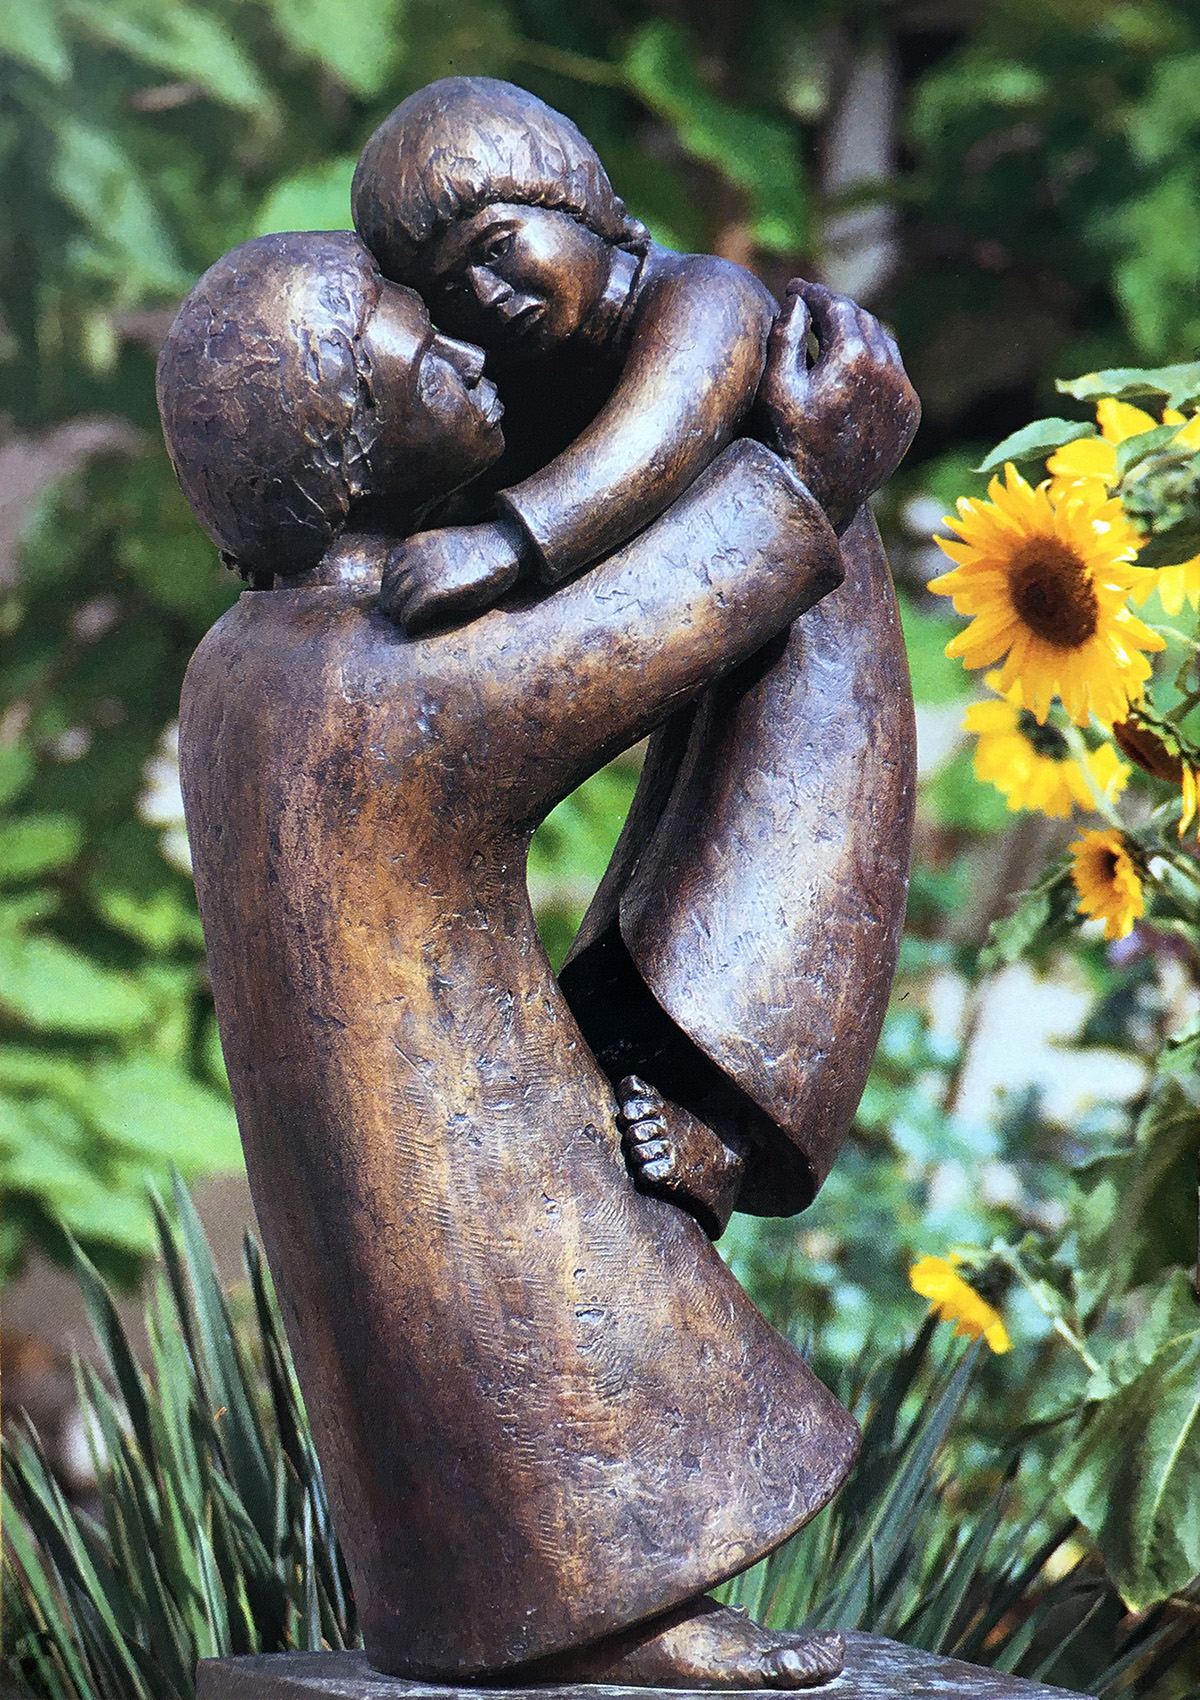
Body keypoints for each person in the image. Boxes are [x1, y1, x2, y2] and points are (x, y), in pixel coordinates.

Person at [161, 228, 917, 1686]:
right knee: (544, 1374)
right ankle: (618, 1627)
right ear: (346, 454)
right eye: (414, 348)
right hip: (470, 1159)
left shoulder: (241, 663)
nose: (463, 348)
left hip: (410, 1158)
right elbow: (645, 631)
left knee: (486, 1411)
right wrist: (812, 474)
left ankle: (557, 1625)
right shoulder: (368, 680)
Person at [352, 78, 919, 1242]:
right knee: (660, 895)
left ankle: (728, 1129)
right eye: (453, 290)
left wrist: (504, 544)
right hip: (733, 644)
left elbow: (644, 453)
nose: (488, 295)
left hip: (811, 664)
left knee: (770, 884)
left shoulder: (703, 302)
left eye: (499, 248)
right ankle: (639, 1067)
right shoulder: (559, 366)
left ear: (586, 206)